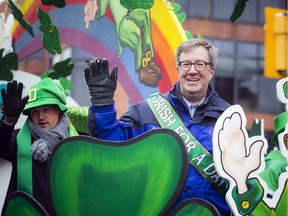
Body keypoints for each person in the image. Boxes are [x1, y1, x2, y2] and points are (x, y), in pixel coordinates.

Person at [84, 38, 231, 215]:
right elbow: (112, 143)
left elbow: (243, 177)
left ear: (211, 71)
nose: (192, 71)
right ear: (178, 69)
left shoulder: (229, 118)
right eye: (186, 64)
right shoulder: (147, 111)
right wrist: (102, 106)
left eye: (200, 64)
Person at [0, 78, 78, 215]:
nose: (40, 116)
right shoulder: (19, 139)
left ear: (59, 110)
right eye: (35, 112)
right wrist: (8, 121)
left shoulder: (76, 144)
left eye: (46, 110)